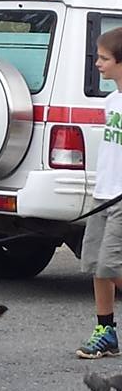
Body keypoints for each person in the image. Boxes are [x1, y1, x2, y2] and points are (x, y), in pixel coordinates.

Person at [76, 26, 122, 359]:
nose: (97, 64)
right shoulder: (112, 101)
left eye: (104, 58)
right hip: (104, 195)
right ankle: (105, 330)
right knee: (96, 265)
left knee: (111, 266)